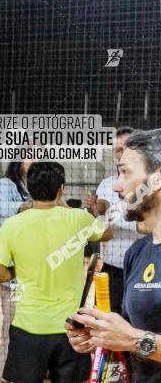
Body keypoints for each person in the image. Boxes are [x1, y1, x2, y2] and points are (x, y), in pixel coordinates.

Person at [0, 162, 111, 383]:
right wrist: (97, 211)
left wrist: (20, 269)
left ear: (29, 189)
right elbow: (106, 231)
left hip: (28, 327)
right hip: (69, 329)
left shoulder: (14, 225)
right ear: (61, 190)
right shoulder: (77, 219)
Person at [67, 129, 161, 383]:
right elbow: (131, 338)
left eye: (124, 172)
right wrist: (101, 341)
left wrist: (133, 339)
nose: (117, 185)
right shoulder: (139, 250)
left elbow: (139, 338)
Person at [83, 127, 139, 314]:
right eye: (117, 149)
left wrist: (108, 211)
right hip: (111, 267)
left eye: (126, 147)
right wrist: (94, 207)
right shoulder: (107, 183)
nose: (121, 153)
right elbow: (101, 211)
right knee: (104, 318)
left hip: (141, 268)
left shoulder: (148, 183)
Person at [0, 161, 32, 383]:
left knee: (29, 327)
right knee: (12, 326)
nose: (35, 159)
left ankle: (25, 378)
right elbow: (3, 207)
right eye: (30, 154)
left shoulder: (38, 186)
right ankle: (5, 381)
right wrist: (29, 206)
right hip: (12, 274)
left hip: (34, 274)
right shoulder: (5, 185)